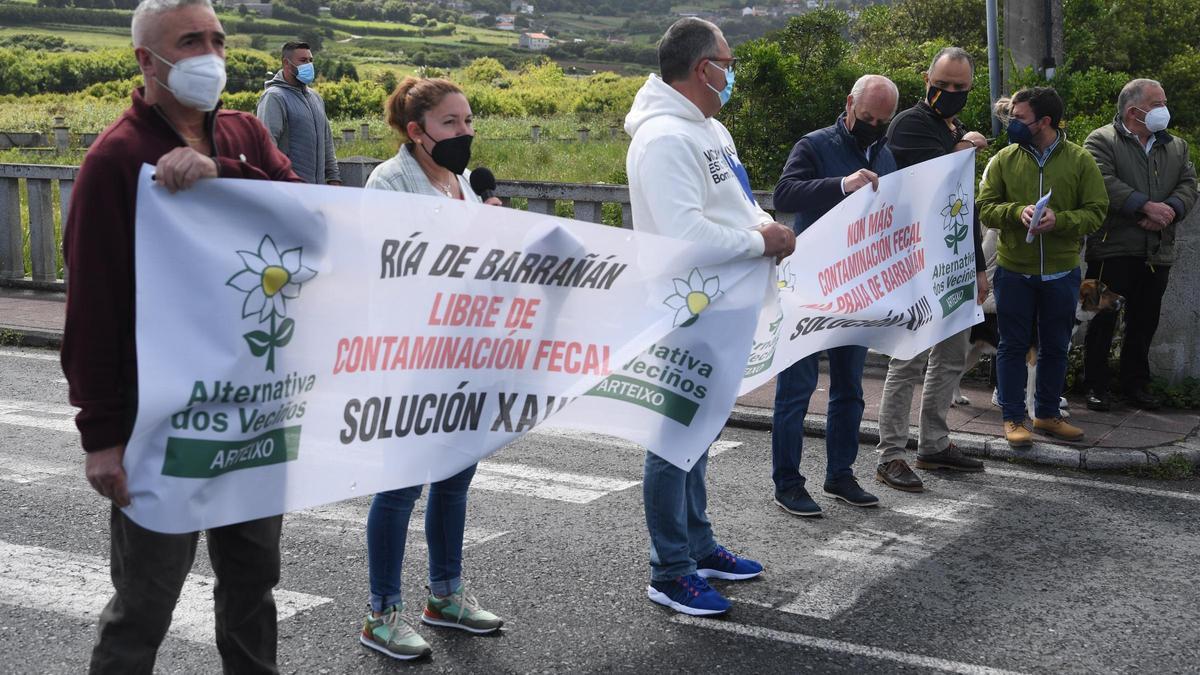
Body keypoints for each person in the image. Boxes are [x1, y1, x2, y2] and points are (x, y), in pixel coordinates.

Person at [60, 0, 300, 672]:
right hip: (161, 423)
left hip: (251, 413)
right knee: (145, 600)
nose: (210, 55)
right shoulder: (116, 159)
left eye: (218, 39)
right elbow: (93, 308)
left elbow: (305, 212)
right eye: (190, 41)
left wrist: (226, 175)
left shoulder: (247, 135)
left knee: (254, 586)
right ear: (147, 59)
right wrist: (102, 437)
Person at [624, 17, 796, 616]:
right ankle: (669, 569)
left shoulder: (710, 128)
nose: (732, 69)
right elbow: (683, 232)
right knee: (674, 439)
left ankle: (697, 546)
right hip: (686, 307)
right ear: (705, 69)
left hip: (723, 304)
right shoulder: (665, 137)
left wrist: (763, 231)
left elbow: (735, 206)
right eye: (728, 59)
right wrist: (761, 242)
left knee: (699, 434)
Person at [357, 76, 503, 662]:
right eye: (451, 123)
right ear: (416, 132)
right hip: (410, 356)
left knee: (453, 477)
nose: (465, 132)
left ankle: (445, 595)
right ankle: (381, 612)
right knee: (399, 487)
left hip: (464, 353)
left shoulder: (465, 185)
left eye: (468, 121)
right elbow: (390, 263)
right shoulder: (389, 183)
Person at [770, 74, 899, 516]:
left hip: (858, 286)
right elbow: (784, 194)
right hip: (808, 285)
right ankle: (787, 483)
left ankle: (840, 476)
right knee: (797, 388)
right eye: (867, 118)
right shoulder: (814, 144)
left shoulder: (886, 152)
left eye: (883, 121)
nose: (874, 126)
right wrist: (841, 184)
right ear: (849, 105)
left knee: (850, 388)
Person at [874, 47, 989, 493]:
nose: (951, 94)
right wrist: (964, 147)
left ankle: (935, 442)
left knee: (952, 355)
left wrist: (978, 267)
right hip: (915, 262)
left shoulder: (953, 127)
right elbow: (934, 177)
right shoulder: (912, 124)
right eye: (943, 85)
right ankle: (891, 454)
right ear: (927, 79)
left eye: (960, 88)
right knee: (908, 359)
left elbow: (964, 205)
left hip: (955, 262)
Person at [977, 86, 1108, 448]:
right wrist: (1016, 212)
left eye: (1019, 118)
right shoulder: (1003, 159)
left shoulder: (1080, 160)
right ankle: (1013, 418)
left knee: (1055, 346)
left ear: (1044, 121)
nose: (1012, 123)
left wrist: (1061, 220)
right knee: (1011, 345)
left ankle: (1047, 414)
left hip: (1062, 272)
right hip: (1013, 269)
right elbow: (985, 206)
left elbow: (1097, 211)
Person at [1082, 78, 1197, 411]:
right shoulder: (1101, 140)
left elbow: (1188, 184)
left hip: (1157, 249)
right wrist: (1144, 206)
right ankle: (1095, 385)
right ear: (1134, 111)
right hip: (1112, 247)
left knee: (1144, 321)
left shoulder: (1176, 146)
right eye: (1158, 103)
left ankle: (1135, 384)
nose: (1165, 109)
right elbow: (1101, 181)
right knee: (1100, 318)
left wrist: (1170, 210)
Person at [256, 41, 342, 185]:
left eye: (310, 60)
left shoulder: (316, 98)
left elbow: (327, 144)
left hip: (317, 191)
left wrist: (334, 178)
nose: (308, 65)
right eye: (303, 61)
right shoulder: (274, 97)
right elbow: (267, 147)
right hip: (288, 192)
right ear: (286, 63)